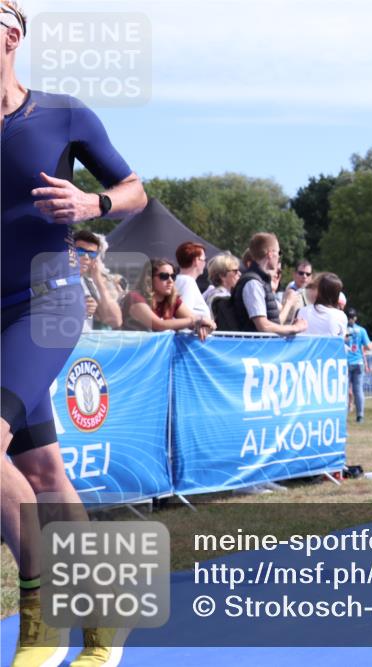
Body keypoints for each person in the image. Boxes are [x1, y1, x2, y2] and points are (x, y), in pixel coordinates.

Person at [2, 3, 149, 663]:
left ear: (11, 33)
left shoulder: (62, 113)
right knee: (42, 469)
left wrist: (96, 204)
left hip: (46, 298)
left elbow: (134, 188)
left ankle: (40, 616)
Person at [230, 233, 308, 335]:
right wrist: (294, 328)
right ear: (270, 254)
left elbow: (273, 321)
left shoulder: (260, 281)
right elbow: (263, 326)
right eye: (278, 253)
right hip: (254, 348)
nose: (279, 257)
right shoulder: (253, 283)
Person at [122, 259, 216, 341]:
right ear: (149, 279)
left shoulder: (172, 300)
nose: (170, 281)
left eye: (173, 276)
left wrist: (204, 327)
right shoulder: (134, 297)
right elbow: (159, 325)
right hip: (129, 354)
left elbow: (199, 323)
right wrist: (196, 320)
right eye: (164, 276)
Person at [74, 230, 122, 331]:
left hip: (85, 345)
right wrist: (76, 308)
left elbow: (116, 321)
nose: (86, 257)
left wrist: (98, 279)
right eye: (80, 252)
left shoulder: (90, 284)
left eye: (92, 254)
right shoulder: (53, 280)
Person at [299, 272, 348, 338]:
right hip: (329, 348)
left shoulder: (302, 311)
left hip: (306, 348)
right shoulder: (341, 316)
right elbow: (340, 341)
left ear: (319, 290)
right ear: (336, 295)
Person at [345, 308, 372, 423]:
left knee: (344, 391)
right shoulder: (361, 330)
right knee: (358, 390)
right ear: (355, 318)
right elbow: (369, 347)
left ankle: (343, 415)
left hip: (346, 362)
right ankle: (360, 416)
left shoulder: (343, 329)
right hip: (358, 362)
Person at [174, 241, 210, 319]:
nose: (205, 263)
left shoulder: (179, 280)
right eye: (204, 260)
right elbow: (183, 317)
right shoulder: (187, 282)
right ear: (196, 261)